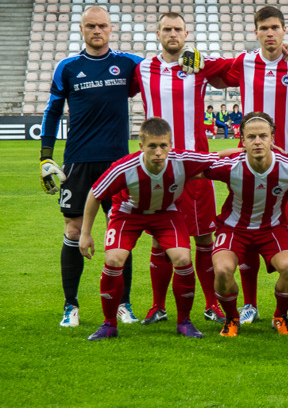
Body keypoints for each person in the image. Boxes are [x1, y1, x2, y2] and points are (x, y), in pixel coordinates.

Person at [79, 118, 237, 341]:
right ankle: (109, 324)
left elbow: (219, 156)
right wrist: (85, 234)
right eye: (152, 146)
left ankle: (184, 321)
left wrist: (247, 148)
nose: (158, 151)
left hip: (166, 213)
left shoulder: (182, 160)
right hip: (128, 214)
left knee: (182, 258)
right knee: (114, 259)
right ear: (141, 146)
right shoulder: (124, 167)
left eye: (163, 145)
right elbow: (95, 194)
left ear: (170, 145)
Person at [211, 6, 288, 326]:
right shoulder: (243, 62)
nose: (270, 33)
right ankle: (250, 304)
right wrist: (187, 54)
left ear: (285, 31)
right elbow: (209, 73)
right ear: (256, 32)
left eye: (275, 27)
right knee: (249, 227)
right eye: (264, 28)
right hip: (250, 162)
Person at [40, 5, 143, 327]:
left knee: (120, 234)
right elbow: (52, 111)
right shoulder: (68, 68)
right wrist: (45, 155)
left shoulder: (127, 64)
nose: (97, 31)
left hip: (117, 164)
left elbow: (162, 71)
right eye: (90, 26)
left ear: (111, 29)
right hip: (78, 162)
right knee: (72, 230)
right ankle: (70, 305)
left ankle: (124, 304)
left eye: (102, 26)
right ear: (82, 30)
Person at [134, 12, 234, 325]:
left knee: (204, 237)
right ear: (157, 32)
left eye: (178, 29)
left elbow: (238, 67)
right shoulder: (143, 68)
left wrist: (203, 58)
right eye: (167, 29)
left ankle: (210, 304)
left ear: (186, 33)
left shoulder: (198, 65)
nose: (173, 34)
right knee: (159, 240)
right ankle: (158, 306)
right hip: (158, 168)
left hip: (195, 167)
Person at [205, 112, 288, 337]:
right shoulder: (230, 166)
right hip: (233, 229)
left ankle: (280, 316)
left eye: (262, 136)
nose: (257, 141)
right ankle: (231, 319)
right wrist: (221, 152)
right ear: (242, 141)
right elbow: (192, 169)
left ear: (272, 139)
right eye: (251, 137)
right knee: (222, 269)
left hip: (272, 229)